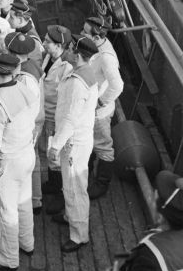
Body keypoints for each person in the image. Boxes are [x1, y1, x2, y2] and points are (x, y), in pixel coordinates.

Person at [0, 51, 39, 271]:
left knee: (5, 211)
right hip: (26, 154)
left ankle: (7, 258)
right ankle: (26, 242)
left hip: (8, 162)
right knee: (24, 202)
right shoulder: (27, 90)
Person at [47, 35, 99, 253]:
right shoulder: (85, 73)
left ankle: (79, 236)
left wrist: (55, 145)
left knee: (74, 188)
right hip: (79, 139)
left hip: (73, 143)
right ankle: (70, 216)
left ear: (77, 54)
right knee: (73, 184)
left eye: (69, 48)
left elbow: (70, 118)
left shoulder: (78, 83)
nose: (66, 50)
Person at [81, 14, 124, 199]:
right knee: (90, 142)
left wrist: (100, 102)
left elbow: (117, 85)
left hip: (99, 112)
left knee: (103, 146)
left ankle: (102, 184)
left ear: (97, 37)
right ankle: (87, 172)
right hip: (90, 107)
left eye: (85, 31)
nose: (81, 33)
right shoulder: (97, 46)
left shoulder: (106, 57)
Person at [4, 31, 45, 214]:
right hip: (37, 119)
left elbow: (23, 106)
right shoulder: (32, 66)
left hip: (31, 123)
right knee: (33, 160)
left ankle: (30, 200)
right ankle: (36, 199)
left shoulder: (24, 77)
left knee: (26, 162)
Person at [36, 24, 73, 216]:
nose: (43, 44)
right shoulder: (50, 57)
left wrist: (52, 121)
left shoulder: (67, 67)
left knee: (55, 157)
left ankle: (60, 196)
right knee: (46, 151)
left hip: (54, 118)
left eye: (48, 42)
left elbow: (63, 99)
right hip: (45, 112)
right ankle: (52, 182)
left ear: (59, 46)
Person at [8, 0, 44, 68]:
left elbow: (35, 66)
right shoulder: (20, 32)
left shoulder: (32, 41)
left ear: (20, 20)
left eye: (11, 18)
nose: (8, 20)